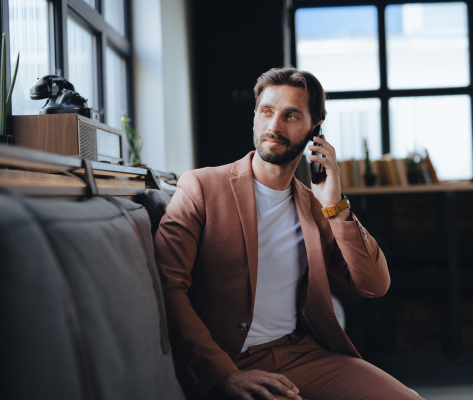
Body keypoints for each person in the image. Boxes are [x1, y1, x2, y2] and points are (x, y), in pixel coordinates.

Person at [154, 67, 423, 400]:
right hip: (227, 357)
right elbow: (168, 286)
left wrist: (336, 205)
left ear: (315, 130)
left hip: (301, 354)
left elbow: (373, 285)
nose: (274, 126)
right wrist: (223, 374)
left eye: (291, 116)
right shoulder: (201, 186)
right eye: (266, 112)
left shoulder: (317, 207)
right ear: (255, 116)